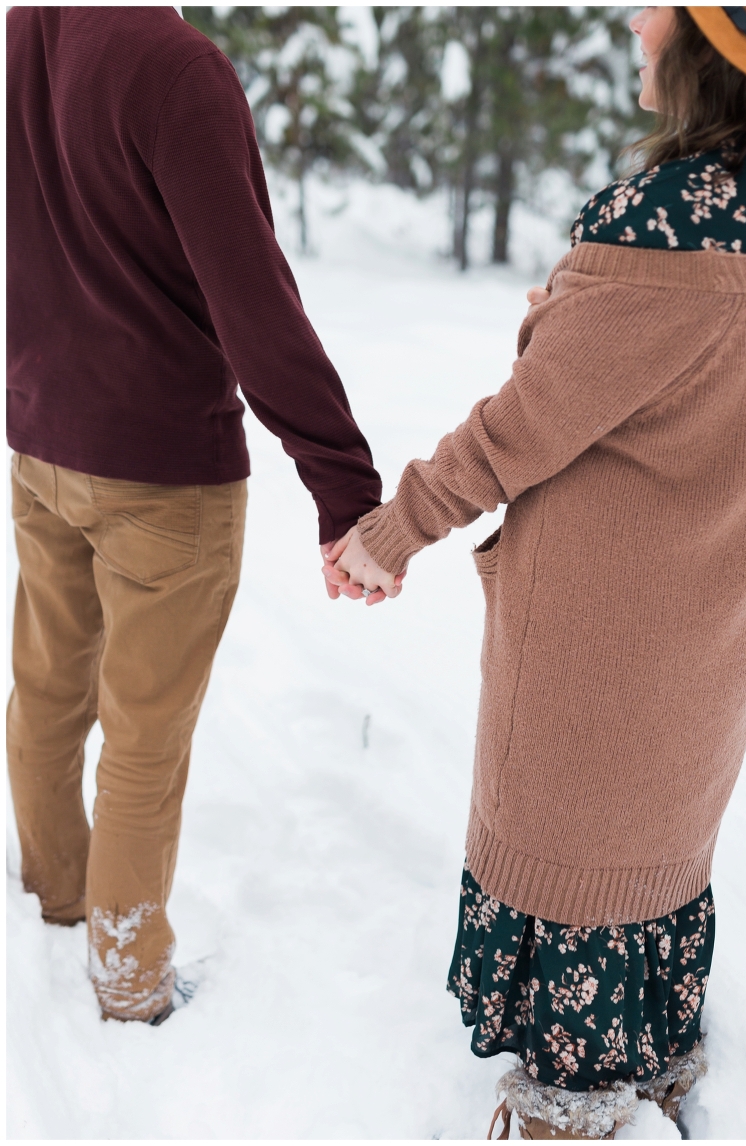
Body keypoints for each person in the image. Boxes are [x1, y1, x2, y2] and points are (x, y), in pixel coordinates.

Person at [324, 7, 746, 1139]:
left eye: (662, 5)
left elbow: (526, 424)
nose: (634, 18)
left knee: (575, 849)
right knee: (656, 838)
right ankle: (653, 1051)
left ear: (715, 46)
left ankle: (570, 1106)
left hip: (603, 630)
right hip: (714, 610)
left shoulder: (665, 221)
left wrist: (393, 529)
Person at [6, 6, 381, 1026]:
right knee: (144, 735)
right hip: (160, 472)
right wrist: (341, 479)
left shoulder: (27, 30)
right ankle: (126, 982)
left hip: (40, 442)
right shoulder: (177, 67)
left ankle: (53, 902)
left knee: (46, 688)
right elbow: (249, 293)